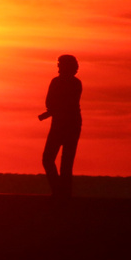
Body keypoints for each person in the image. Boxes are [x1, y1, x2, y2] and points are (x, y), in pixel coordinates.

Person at [38, 54, 82, 198]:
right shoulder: (57, 82)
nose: (58, 66)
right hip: (61, 123)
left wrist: (56, 109)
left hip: (69, 124)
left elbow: (61, 103)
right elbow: (50, 102)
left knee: (64, 161)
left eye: (60, 64)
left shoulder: (74, 84)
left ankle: (62, 193)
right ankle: (60, 191)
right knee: (51, 159)